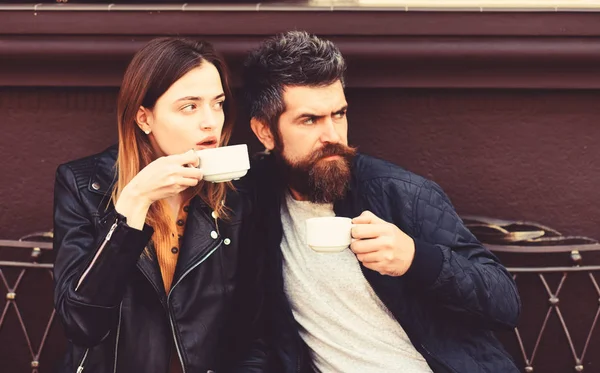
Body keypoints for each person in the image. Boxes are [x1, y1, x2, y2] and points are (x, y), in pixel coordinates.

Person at [242, 31, 521, 373]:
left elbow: (505, 302)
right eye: (310, 120)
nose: (332, 135)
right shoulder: (255, 203)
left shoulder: (400, 193)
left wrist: (416, 258)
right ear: (265, 132)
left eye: (339, 115)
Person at [53, 37, 261, 373]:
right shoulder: (82, 185)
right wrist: (134, 203)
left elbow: (256, 330)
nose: (211, 121)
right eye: (189, 107)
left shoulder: (237, 194)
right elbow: (82, 324)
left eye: (218, 103)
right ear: (144, 118)